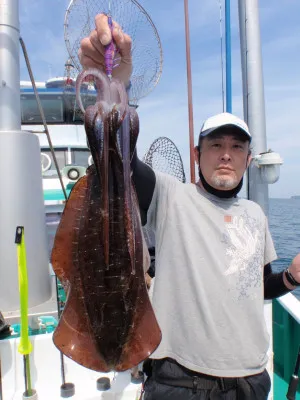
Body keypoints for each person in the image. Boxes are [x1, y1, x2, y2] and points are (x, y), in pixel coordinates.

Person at [79, 14, 300, 400]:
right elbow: (118, 156)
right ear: (197, 154)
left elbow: (256, 288)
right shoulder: (169, 197)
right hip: (179, 381)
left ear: (249, 159)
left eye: (237, 147)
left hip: (250, 381)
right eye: (216, 146)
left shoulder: (255, 216)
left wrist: (291, 279)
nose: (226, 156)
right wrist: (115, 83)